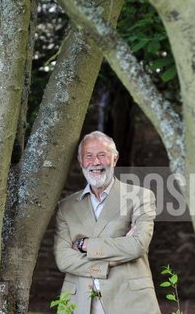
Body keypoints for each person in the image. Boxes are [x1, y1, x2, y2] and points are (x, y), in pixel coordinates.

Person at [54, 131, 161, 314]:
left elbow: (137, 245)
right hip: (79, 302)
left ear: (114, 159)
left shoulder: (140, 197)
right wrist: (108, 263)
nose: (95, 162)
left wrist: (85, 245)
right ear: (81, 161)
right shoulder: (66, 206)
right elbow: (63, 259)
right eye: (89, 156)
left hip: (129, 301)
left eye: (102, 155)